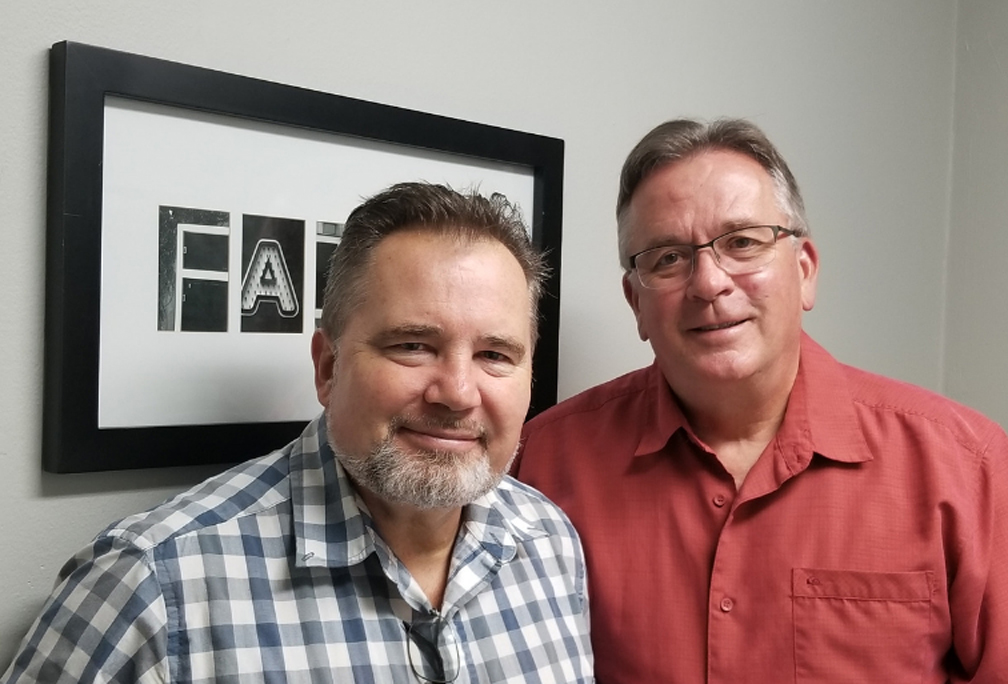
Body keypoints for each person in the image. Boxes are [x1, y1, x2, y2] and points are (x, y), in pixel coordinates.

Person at [4, 182, 593, 683]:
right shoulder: (151, 584)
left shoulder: (550, 544)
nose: (458, 393)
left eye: (495, 354)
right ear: (328, 367)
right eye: (413, 345)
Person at [513, 118, 1008, 683]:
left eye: (742, 242)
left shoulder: (969, 468)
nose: (709, 282)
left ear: (805, 271)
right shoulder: (545, 464)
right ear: (636, 303)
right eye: (668, 258)